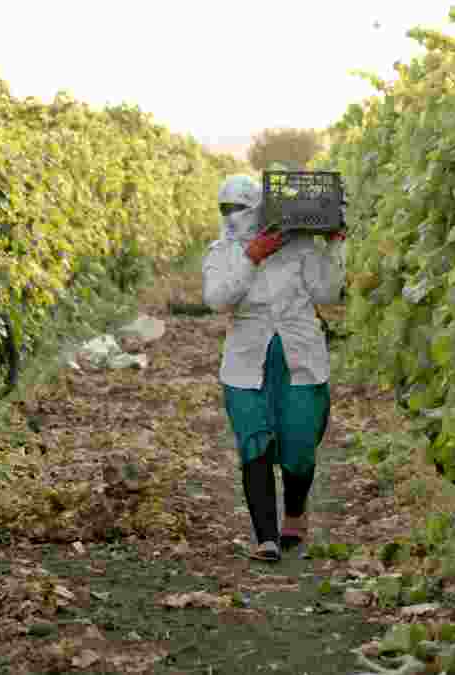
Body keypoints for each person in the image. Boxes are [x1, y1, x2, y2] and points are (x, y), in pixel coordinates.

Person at [202, 173, 347, 562]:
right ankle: (265, 537)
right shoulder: (223, 252)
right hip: (246, 361)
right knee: (255, 442)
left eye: (241, 208)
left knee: (300, 446)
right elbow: (218, 300)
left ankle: (295, 513)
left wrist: (333, 248)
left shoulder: (299, 245)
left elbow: (328, 293)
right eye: (225, 209)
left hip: (300, 355)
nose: (233, 217)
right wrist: (252, 257)